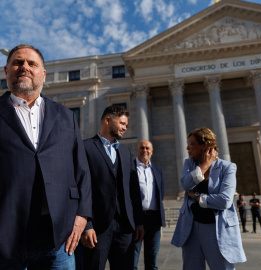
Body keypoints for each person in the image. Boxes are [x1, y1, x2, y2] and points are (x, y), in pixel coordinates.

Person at [0, 44, 92, 269]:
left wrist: (83, 216)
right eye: (17, 62)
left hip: (57, 237)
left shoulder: (65, 116)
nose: (24, 67)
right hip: (7, 236)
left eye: (32, 63)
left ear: (43, 74)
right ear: (6, 71)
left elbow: (81, 170)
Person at [171, 127, 246, 270]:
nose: (187, 148)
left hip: (217, 229)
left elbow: (224, 201)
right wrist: (205, 165)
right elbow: (186, 185)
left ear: (204, 146)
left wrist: (198, 197)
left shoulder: (228, 167)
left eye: (191, 144)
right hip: (191, 228)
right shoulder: (189, 164)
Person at [80, 105, 144, 270]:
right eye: (122, 123)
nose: (124, 128)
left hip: (125, 228)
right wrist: (86, 225)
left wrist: (138, 222)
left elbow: (134, 190)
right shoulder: (85, 148)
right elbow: (80, 188)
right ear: (108, 120)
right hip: (97, 228)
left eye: (126, 125)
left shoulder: (125, 153)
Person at [134, 140, 166, 270]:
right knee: (132, 259)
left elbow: (161, 193)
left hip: (154, 219)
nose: (144, 150)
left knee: (152, 260)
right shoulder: (130, 168)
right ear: (137, 150)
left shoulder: (157, 170)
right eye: (142, 148)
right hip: (136, 219)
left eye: (147, 148)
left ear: (152, 151)